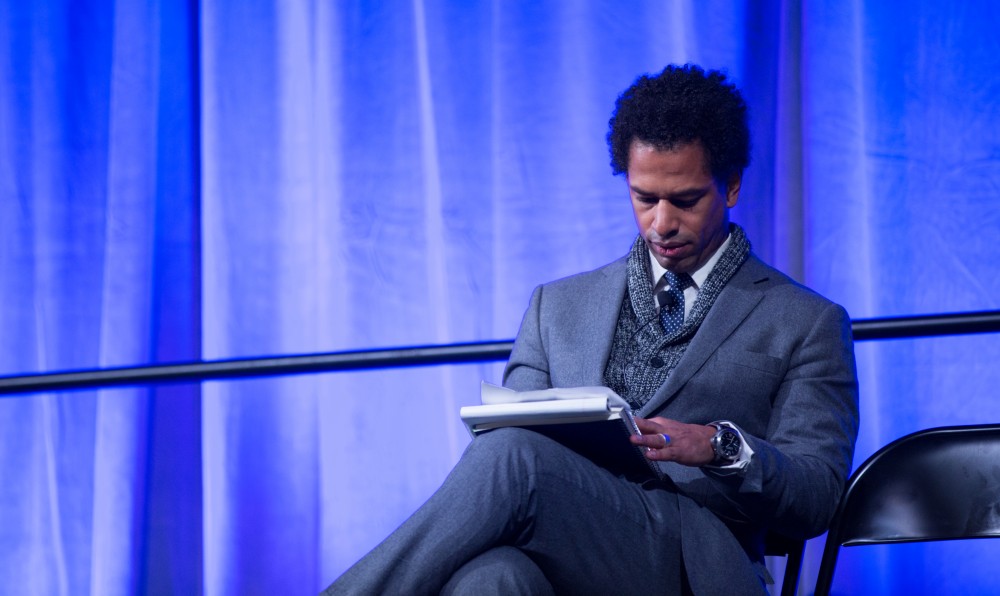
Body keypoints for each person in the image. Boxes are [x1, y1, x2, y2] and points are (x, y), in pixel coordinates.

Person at [323, 64, 859, 595]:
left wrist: (721, 448)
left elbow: (817, 495)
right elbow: (509, 449)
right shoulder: (556, 306)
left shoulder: (807, 321)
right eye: (644, 198)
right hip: (566, 543)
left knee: (514, 459)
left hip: (692, 562)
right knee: (492, 578)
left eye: (686, 200)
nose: (661, 223)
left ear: (733, 185)